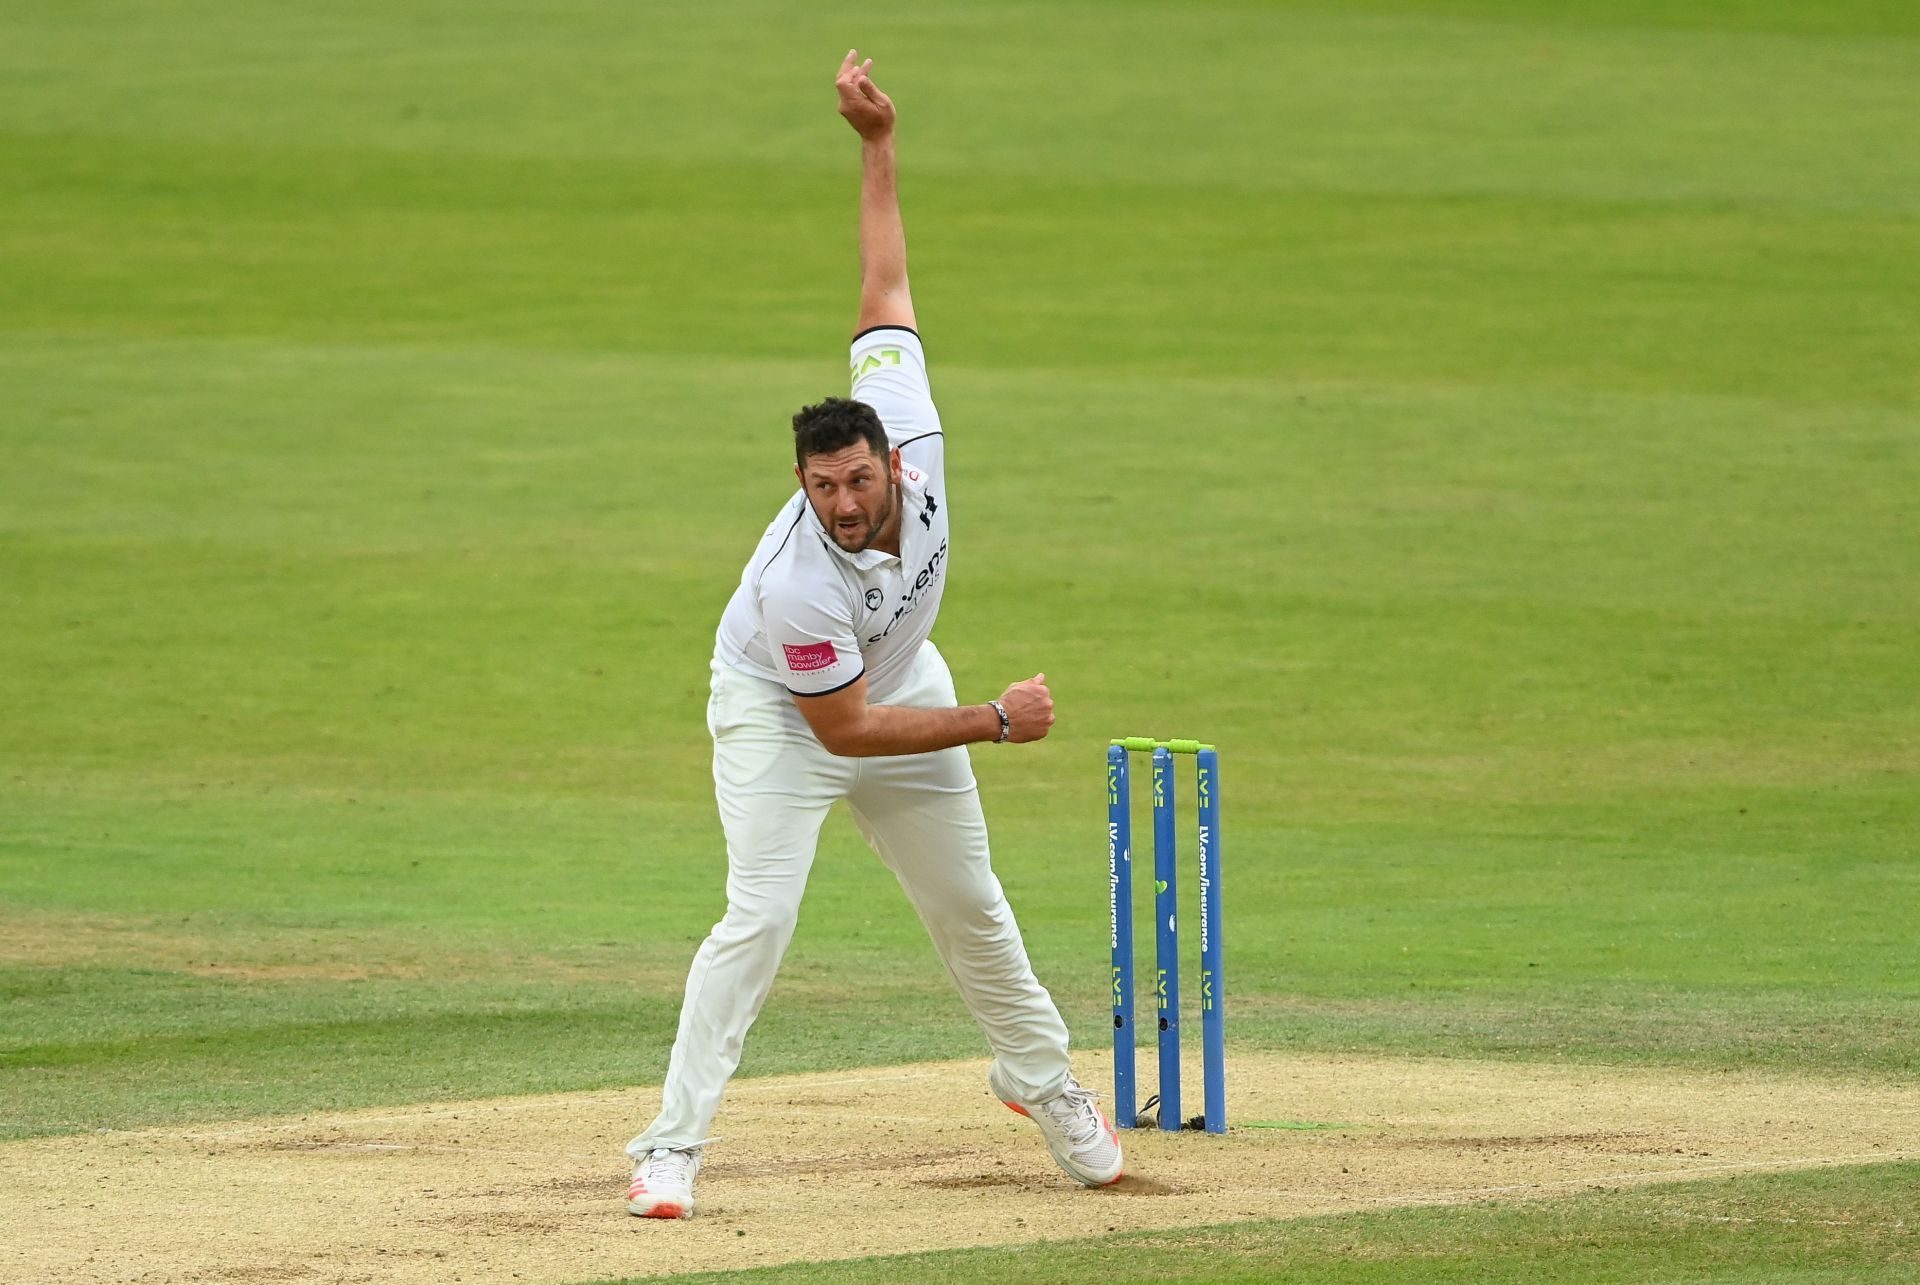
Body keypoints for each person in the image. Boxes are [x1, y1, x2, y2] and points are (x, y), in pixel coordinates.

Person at [624, 50, 1123, 1220]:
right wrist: (995, 722)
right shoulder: (794, 583)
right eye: (820, 487)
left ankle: (1042, 1083)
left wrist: (877, 145)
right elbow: (844, 729)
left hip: (903, 674)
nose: (842, 506)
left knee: (971, 904)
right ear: (799, 482)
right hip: (783, 715)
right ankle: (671, 1149)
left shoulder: (910, 422)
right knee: (761, 916)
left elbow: (884, 287)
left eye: (855, 481)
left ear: (891, 459)